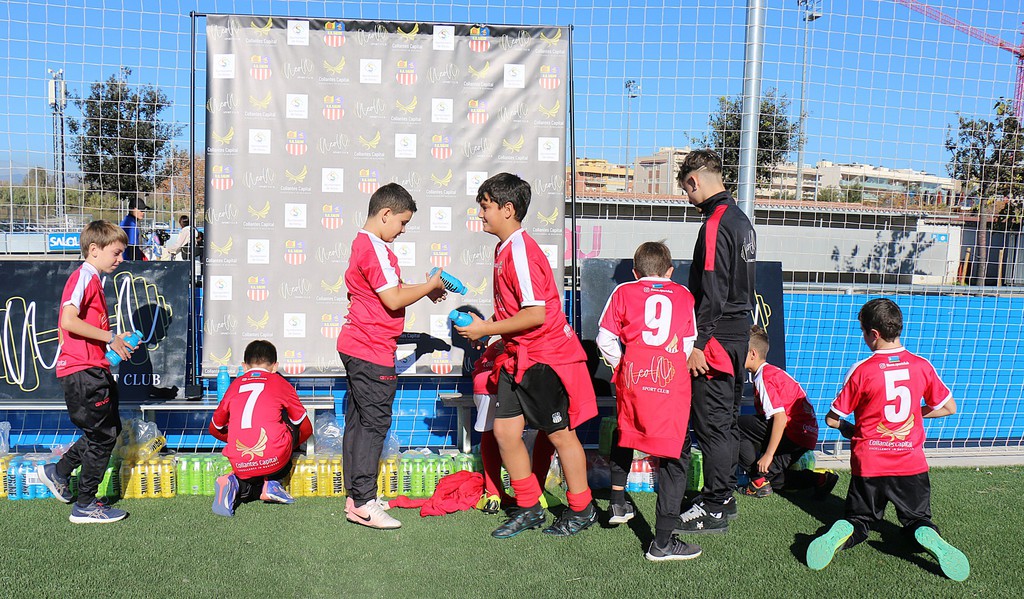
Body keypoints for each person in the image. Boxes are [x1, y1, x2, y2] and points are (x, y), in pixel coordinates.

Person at [455, 172, 599, 539]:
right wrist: (490, 330)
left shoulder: (520, 250)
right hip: (517, 356)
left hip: (544, 358)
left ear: (508, 209)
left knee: (560, 435)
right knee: (505, 432)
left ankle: (582, 509)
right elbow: (515, 309)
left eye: (485, 206)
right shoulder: (504, 248)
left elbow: (537, 314)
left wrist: (485, 329)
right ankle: (530, 508)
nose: (481, 213)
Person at [806, 298, 969, 581]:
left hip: (870, 463)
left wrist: (847, 428)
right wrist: (913, 414)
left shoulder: (862, 369)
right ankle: (925, 532)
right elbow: (948, 408)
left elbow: (832, 419)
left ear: (874, 333)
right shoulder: (921, 365)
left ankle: (848, 527)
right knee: (917, 520)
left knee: (860, 520)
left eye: (863, 331)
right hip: (910, 464)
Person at [337, 183, 446, 529]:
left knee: (359, 423)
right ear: (386, 214)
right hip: (371, 349)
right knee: (373, 425)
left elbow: (390, 291)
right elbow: (394, 299)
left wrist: (425, 290)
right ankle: (364, 502)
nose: (403, 230)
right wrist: (429, 286)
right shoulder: (375, 249)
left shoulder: (364, 244)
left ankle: (357, 498)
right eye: (402, 222)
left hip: (359, 345)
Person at [596, 241, 703, 561]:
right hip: (669, 383)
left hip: (634, 379)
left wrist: (622, 364)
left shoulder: (623, 291)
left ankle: (618, 501)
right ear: (670, 271)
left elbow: (604, 338)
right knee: (674, 457)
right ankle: (663, 542)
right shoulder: (684, 295)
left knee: (627, 432)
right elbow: (687, 344)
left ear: (634, 272)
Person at [675, 149, 757, 535]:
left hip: (718, 337)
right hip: (738, 334)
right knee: (725, 421)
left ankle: (715, 506)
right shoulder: (741, 220)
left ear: (694, 180)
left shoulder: (716, 222)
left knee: (713, 424)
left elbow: (714, 288)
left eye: (686, 190)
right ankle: (723, 497)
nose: (688, 198)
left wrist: (698, 343)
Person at [37, 220, 138, 523]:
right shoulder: (83, 276)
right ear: (94, 249)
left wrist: (111, 346)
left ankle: (58, 471)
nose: (121, 259)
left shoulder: (94, 279)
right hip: (82, 371)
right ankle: (85, 504)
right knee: (102, 436)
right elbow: (68, 321)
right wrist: (110, 337)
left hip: (93, 368)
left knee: (107, 431)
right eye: (116, 253)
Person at [208, 340, 313, 516]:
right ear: (275, 366)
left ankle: (235, 483)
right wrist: (293, 447)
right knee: (289, 420)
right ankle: (273, 482)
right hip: (275, 459)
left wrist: (234, 438)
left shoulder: (234, 385)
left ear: (244, 366)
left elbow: (214, 428)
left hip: (240, 461)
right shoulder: (280, 383)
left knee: (251, 479)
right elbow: (305, 426)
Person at [740, 325, 838, 498]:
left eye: (741, 351)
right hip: (806, 435)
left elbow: (780, 417)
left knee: (735, 424)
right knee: (771, 478)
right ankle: (820, 480)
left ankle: (757, 479)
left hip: (794, 432)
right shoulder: (773, 372)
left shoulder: (764, 376)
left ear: (753, 354)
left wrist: (768, 454)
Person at [469, 338, 556, 514]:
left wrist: (482, 332)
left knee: (493, 430)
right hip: (520, 369)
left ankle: (493, 495)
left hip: (497, 372)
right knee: (550, 428)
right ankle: (534, 492)